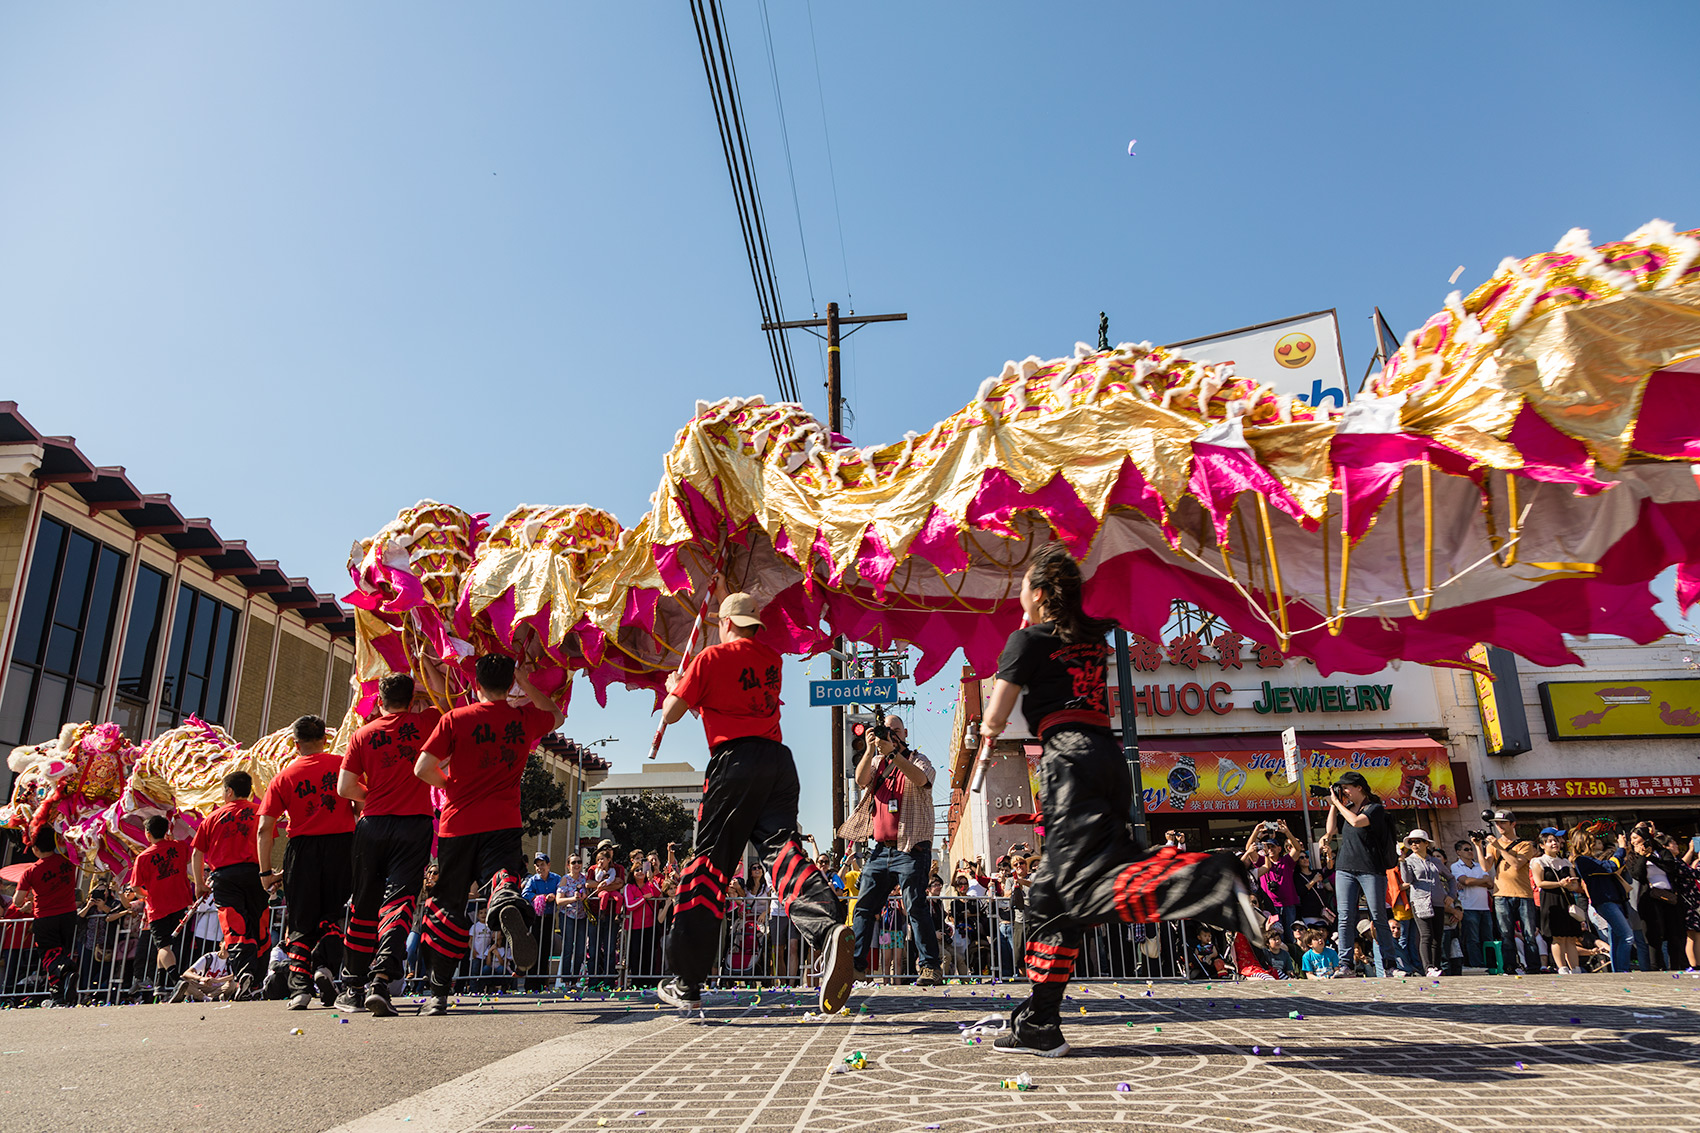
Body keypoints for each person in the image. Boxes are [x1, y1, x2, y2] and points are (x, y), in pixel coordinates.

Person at [975, 544, 1259, 1057]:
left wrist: (988, 726)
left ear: (1038, 594)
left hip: (1068, 761)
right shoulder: (1089, 639)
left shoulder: (1026, 640)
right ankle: (1040, 1021)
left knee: (1082, 894)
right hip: (1106, 757)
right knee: (1048, 898)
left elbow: (995, 718)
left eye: (1024, 590)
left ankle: (1208, 879)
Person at [655, 591, 851, 1015]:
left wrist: (675, 686)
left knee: (709, 863)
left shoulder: (708, 658)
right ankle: (826, 927)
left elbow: (670, 712)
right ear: (754, 626)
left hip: (733, 763)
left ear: (724, 623)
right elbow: (728, 703)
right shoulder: (770, 660)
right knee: (782, 851)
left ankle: (686, 979)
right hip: (778, 761)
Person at [414, 655, 563, 1015]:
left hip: (458, 822)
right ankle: (507, 901)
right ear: (508, 682)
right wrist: (525, 682)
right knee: (501, 876)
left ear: (476, 683)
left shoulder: (455, 719)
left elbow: (422, 769)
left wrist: (450, 785)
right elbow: (555, 715)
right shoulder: (521, 718)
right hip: (503, 819)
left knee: (450, 905)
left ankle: (438, 993)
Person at [337, 671, 442, 1016]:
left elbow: (344, 789)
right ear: (412, 700)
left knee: (363, 902)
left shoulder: (362, 734)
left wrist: (373, 797)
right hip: (415, 824)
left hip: (373, 824)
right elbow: (447, 699)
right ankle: (381, 979)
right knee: (400, 902)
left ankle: (352, 986)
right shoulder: (427, 723)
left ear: (379, 701)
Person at [257, 714, 357, 1010]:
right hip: (342, 846)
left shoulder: (283, 777)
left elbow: (265, 829)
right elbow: (361, 805)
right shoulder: (341, 766)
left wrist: (265, 872)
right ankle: (324, 966)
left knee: (301, 919)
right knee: (332, 913)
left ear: (295, 743)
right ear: (325, 740)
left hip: (301, 849)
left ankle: (299, 987)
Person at [841, 714, 941, 986]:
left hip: (911, 849)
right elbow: (861, 780)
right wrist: (871, 748)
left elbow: (921, 779)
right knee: (863, 906)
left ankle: (930, 967)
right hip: (880, 849)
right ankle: (857, 967)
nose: (891, 735)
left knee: (916, 907)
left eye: (896, 731)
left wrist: (895, 754)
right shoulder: (876, 761)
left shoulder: (919, 759)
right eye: (887, 731)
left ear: (905, 733)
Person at [190, 770, 268, 999]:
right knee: (259, 922)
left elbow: (197, 853)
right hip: (256, 872)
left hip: (225, 876)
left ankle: (245, 972)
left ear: (229, 791)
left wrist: (199, 884)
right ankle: (258, 979)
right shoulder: (260, 812)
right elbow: (267, 840)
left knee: (235, 925)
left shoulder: (212, 817)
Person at [1323, 770, 1398, 978]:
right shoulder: (1345, 808)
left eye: (1347, 787)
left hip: (1371, 868)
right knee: (1345, 916)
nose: (1344, 791)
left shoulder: (1374, 809)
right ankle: (1345, 964)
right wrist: (1333, 804)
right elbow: (1330, 831)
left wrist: (1339, 805)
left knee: (1378, 916)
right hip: (1345, 867)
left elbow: (1357, 822)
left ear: (1359, 788)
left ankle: (1390, 964)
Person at [125, 816, 194, 1000]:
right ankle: (159, 983)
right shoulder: (180, 847)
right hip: (180, 902)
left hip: (158, 907)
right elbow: (187, 861)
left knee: (163, 947)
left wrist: (148, 894)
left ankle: (176, 979)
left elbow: (135, 888)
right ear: (166, 830)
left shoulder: (143, 857)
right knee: (166, 947)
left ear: (147, 834)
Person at [14, 828, 79, 1005]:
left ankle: (64, 968)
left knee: (50, 956)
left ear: (35, 848)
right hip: (69, 915)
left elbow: (17, 900)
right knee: (60, 952)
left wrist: (27, 905)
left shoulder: (31, 871)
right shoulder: (68, 860)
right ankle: (60, 994)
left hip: (46, 917)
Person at [1482, 808, 1540, 976]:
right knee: (1506, 934)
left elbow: (1516, 864)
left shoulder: (1525, 845)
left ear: (1513, 824)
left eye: (1502, 822)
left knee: (1529, 933)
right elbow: (1486, 867)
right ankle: (1509, 967)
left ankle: (1534, 967)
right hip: (1501, 894)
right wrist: (1479, 846)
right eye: (1496, 823)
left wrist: (1498, 846)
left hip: (1523, 894)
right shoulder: (1493, 845)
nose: (1499, 826)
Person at [1625, 824, 1684, 971]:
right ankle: (1656, 966)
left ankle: (1675, 967)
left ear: (1645, 838)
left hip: (1670, 897)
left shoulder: (1662, 852)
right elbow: (1637, 875)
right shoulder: (1633, 857)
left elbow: (1670, 867)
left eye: (1635, 838)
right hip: (1650, 898)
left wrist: (1651, 856)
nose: (1633, 842)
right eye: (1631, 839)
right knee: (1653, 936)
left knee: (1674, 935)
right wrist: (1642, 857)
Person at [1397, 830, 1454, 977]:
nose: (1414, 844)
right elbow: (1407, 880)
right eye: (1412, 842)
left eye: (1417, 841)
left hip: (1437, 901)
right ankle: (1428, 967)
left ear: (1426, 844)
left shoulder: (1435, 861)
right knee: (1426, 934)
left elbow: (1450, 878)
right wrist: (1402, 862)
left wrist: (1451, 895)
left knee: (1437, 935)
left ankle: (1436, 966)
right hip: (1420, 900)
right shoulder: (1409, 860)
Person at [1574, 830, 1632, 973]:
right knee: (1627, 936)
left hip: (1614, 900)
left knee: (1616, 939)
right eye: (1592, 840)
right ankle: (1623, 969)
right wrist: (1621, 848)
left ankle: (1618, 971)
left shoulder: (1591, 859)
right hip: (1605, 902)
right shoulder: (1582, 860)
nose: (1595, 843)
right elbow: (1610, 867)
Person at [1530, 827, 1583, 974]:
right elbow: (1539, 883)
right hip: (1551, 900)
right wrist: (1560, 884)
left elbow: (1575, 884)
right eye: (1550, 841)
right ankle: (1562, 968)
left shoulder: (1565, 861)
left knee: (1571, 937)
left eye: (1556, 841)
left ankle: (1576, 968)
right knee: (1558, 937)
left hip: (1567, 900)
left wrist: (1571, 884)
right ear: (1542, 845)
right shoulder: (1538, 861)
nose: (1555, 844)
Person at [1450, 838, 1493, 969]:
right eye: (1466, 849)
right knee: (1472, 939)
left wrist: (1474, 881)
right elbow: (1465, 881)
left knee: (1488, 938)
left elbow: (1490, 883)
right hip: (1468, 907)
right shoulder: (1455, 866)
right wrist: (1482, 880)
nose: (1470, 852)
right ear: (1458, 852)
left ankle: (1490, 964)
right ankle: (1477, 965)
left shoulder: (1480, 865)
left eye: (1471, 849)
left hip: (1484, 907)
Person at [522, 852, 562, 991]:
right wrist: (540, 897)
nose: (540, 868)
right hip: (536, 918)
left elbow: (561, 891)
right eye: (537, 866)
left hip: (549, 917)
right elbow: (525, 894)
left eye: (542, 865)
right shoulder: (533, 880)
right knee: (534, 948)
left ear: (548, 865)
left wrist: (554, 896)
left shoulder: (556, 878)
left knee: (545, 949)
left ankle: (542, 982)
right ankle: (530, 983)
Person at [554, 853, 590, 985]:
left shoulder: (584, 879)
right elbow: (559, 900)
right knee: (568, 947)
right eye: (573, 862)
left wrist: (585, 896)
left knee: (580, 949)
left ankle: (575, 979)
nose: (576, 865)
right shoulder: (565, 879)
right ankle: (566, 979)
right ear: (568, 865)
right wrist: (573, 899)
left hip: (581, 917)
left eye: (579, 862)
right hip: (568, 915)